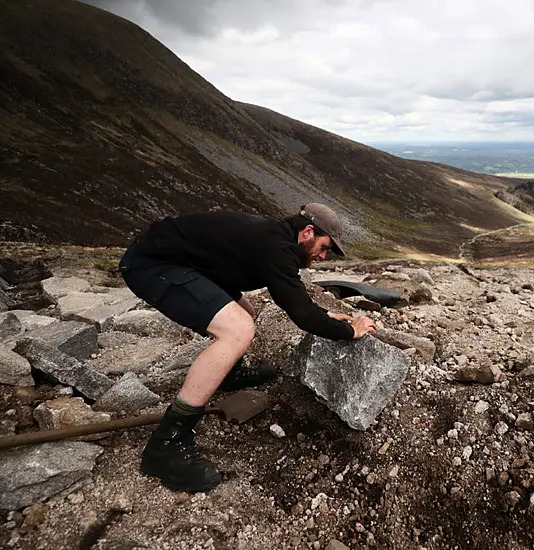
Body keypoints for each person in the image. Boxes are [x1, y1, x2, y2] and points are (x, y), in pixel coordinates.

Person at [118, 203, 377, 492]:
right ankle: (166, 445)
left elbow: (291, 294)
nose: (323, 255)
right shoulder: (276, 247)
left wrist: (326, 316)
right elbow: (300, 314)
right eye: (324, 247)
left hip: (183, 264)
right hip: (152, 266)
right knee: (238, 329)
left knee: (245, 310)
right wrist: (349, 331)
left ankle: (228, 373)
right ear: (307, 232)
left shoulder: (275, 238)